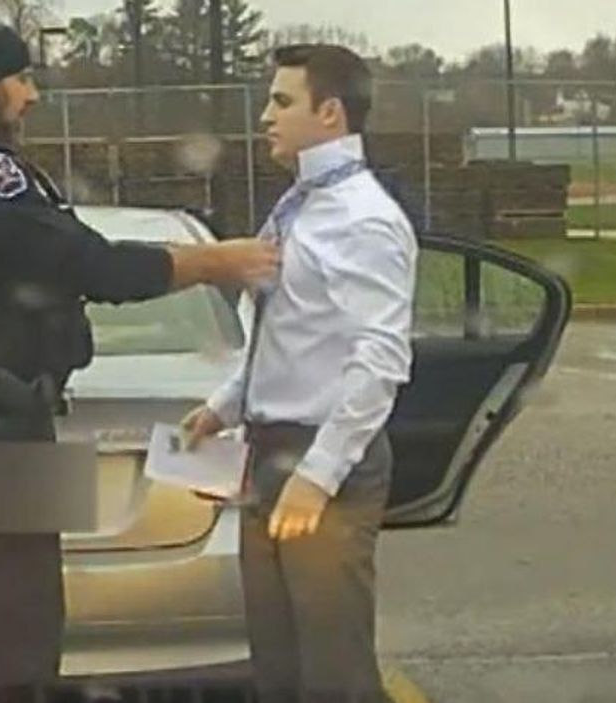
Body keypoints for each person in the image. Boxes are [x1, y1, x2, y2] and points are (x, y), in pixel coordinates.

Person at [0, 15, 280, 701]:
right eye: (21, 77)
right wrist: (214, 260)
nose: (32, 95)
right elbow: (87, 263)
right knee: (13, 633)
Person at [180, 44, 418, 703]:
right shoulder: (302, 205)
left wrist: (318, 476)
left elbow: (379, 359)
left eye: (282, 101)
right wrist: (224, 406)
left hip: (322, 459)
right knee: (277, 662)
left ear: (331, 113)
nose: (265, 116)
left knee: (331, 669)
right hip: (268, 451)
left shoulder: (361, 219)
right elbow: (289, 327)